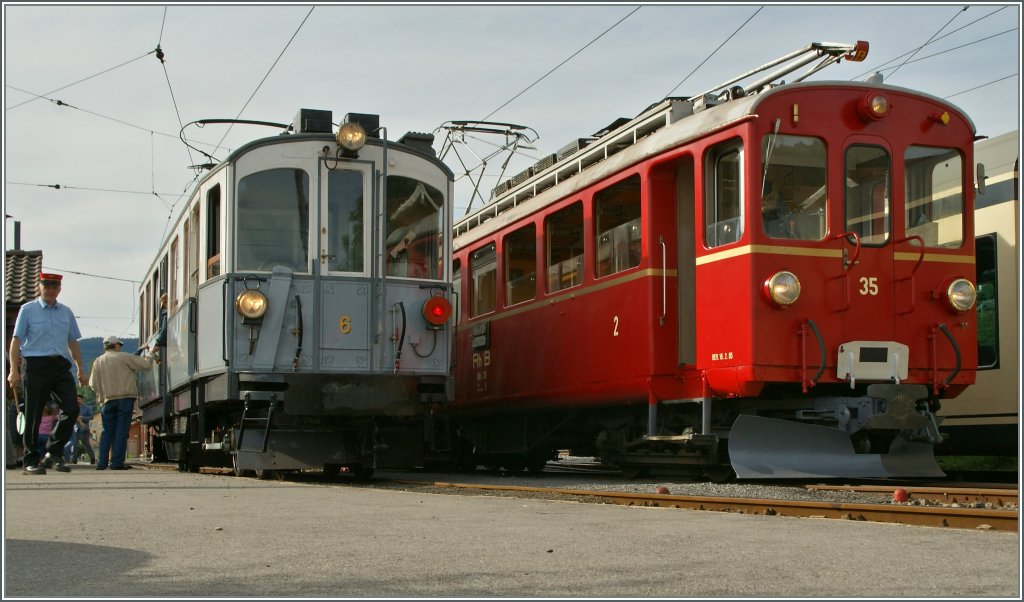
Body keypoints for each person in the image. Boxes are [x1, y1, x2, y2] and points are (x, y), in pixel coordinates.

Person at [7, 272, 86, 475]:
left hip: (60, 365)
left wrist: (80, 369)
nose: (50, 290)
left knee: (71, 408)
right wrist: (13, 370)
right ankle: (31, 460)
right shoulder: (28, 310)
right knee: (33, 414)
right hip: (35, 365)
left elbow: (73, 342)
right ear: (40, 287)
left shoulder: (66, 312)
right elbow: (16, 342)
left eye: (54, 287)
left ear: (59, 289)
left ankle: (53, 452)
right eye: (47, 286)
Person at [89, 335, 153, 470]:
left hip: (107, 401)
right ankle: (116, 463)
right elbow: (145, 364)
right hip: (125, 399)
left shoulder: (98, 361)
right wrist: (151, 353)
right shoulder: (123, 356)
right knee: (121, 431)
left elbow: (93, 384)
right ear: (116, 345)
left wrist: (102, 395)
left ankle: (102, 463)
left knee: (107, 432)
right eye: (120, 345)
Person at [64, 394, 97, 464]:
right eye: (77, 399)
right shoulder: (73, 407)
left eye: (80, 399)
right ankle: (74, 459)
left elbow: (91, 417)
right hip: (74, 429)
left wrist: (82, 418)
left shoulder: (87, 408)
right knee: (74, 445)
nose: (78, 400)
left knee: (86, 445)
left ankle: (92, 458)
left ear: (82, 400)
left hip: (84, 429)